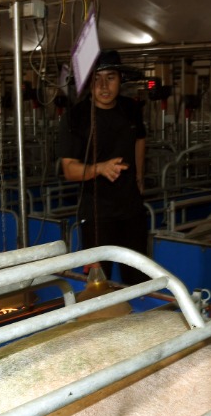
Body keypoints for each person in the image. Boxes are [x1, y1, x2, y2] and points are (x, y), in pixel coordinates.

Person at [58, 49, 149, 285]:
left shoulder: (131, 109)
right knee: (99, 282)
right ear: (88, 83)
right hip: (97, 212)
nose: (104, 85)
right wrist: (100, 168)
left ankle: (138, 320)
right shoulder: (75, 117)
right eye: (96, 79)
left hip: (131, 209)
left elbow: (140, 138)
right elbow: (69, 169)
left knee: (137, 276)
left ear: (121, 80)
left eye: (110, 77)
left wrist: (139, 175)